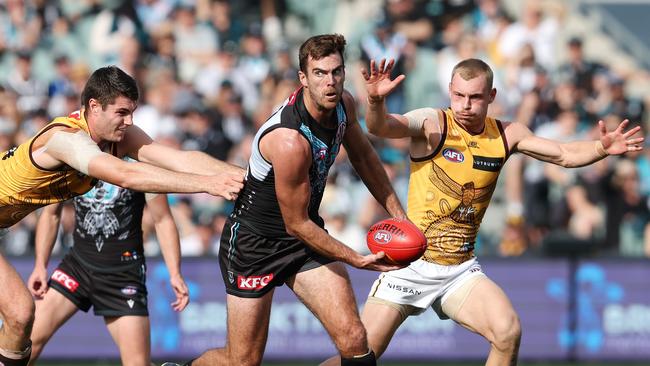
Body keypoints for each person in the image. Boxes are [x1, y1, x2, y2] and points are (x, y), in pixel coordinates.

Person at [322, 58, 644, 366]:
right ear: (450, 90)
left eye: (475, 97)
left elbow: (562, 153)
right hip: (409, 265)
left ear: (491, 96)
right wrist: (376, 102)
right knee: (361, 359)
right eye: (459, 95)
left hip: (459, 270)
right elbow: (383, 127)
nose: (465, 105)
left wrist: (602, 148)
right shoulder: (433, 123)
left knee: (508, 332)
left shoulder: (506, 134)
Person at [170, 34, 407, 366]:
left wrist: (400, 217)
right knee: (243, 362)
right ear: (303, 79)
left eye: (336, 72)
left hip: (304, 239)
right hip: (256, 245)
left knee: (355, 339)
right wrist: (356, 258)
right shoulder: (289, 141)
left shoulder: (344, 105)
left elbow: (365, 158)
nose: (330, 82)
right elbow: (296, 224)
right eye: (320, 73)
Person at [0, 65, 244, 366]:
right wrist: (208, 185)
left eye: (133, 112)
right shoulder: (65, 139)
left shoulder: (119, 137)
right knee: (21, 313)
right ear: (94, 106)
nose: (129, 121)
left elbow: (178, 159)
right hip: (80, 261)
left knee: (22, 319)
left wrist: (248, 178)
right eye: (122, 113)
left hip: (120, 269)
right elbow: (125, 176)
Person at [26, 176, 188, 365]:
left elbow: (162, 219)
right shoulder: (74, 153)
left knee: (137, 363)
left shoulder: (140, 162)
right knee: (26, 343)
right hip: (77, 267)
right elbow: (51, 213)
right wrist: (40, 266)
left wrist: (175, 273)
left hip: (123, 276)